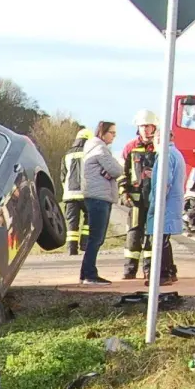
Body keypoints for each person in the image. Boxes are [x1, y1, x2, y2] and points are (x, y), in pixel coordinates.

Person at [118, 110, 160, 279]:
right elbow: (122, 172)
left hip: (154, 199)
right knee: (134, 233)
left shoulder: (159, 147)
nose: (145, 129)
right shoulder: (130, 147)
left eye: (148, 126)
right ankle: (130, 269)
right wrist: (123, 192)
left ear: (154, 127)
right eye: (143, 126)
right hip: (135, 199)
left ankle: (149, 270)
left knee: (152, 234)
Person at [80, 121, 122, 285]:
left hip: (95, 196)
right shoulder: (100, 149)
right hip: (99, 197)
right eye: (112, 132)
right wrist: (111, 172)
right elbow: (117, 170)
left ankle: (85, 273)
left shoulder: (92, 148)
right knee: (96, 238)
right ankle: (90, 274)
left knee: (94, 237)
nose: (114, 136)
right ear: (102, 133)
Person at [144, 136, 186, 286]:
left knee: (158, 240)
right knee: (164, 239)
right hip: (172, 203)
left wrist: (156, 204)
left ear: (158, 138)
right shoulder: (175, 153)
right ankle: (171, 271)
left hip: (165, 204)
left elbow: (164, 183)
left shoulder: (165, 155)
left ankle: (162, 274)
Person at [61, 127, 92, 256]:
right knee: (89, 219)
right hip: (86, 193)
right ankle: (85, 244)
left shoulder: (67, 154)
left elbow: (63, 176)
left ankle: (71, 249)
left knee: (71, 223)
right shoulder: (90, 153)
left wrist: (66, 190)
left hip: (69, 195)